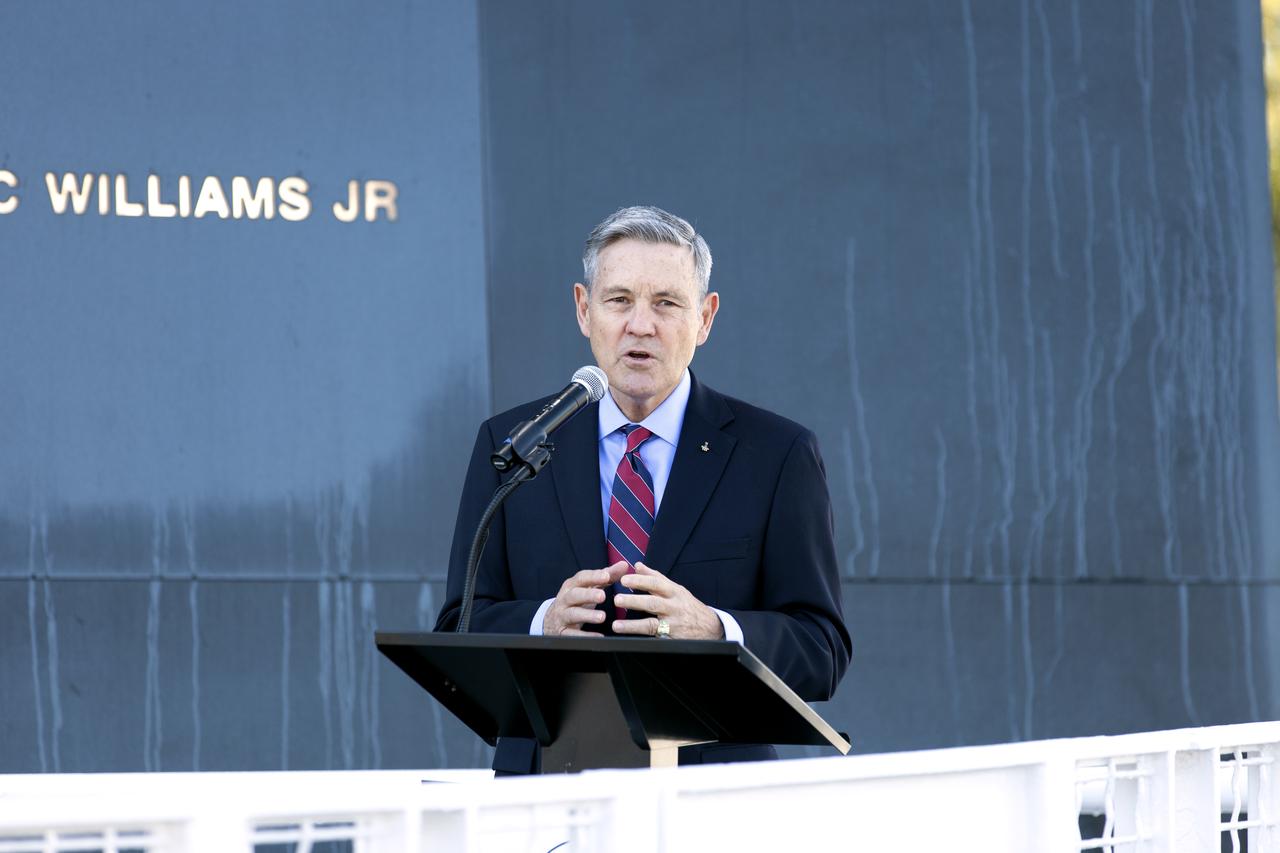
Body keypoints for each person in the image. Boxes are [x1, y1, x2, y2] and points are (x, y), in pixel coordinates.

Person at [435, 205, 851, 773]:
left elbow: (821, 649)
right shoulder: (517, 445)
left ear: (705, 318)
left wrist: (715, 629)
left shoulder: (776, 454)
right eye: (619, 300)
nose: (641, 325)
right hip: (547, 787)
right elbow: (459, 626)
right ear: (584, 310)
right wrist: (544, 623)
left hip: (714, 792)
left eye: (666, 303)